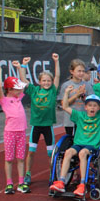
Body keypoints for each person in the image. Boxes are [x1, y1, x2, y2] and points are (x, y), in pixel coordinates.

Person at [50, 86, 100, 196]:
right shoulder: (79, 115)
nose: (92, 108)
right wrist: (67, 92)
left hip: (92, 146)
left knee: (82, 153)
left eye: (95, 106)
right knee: (68, 152)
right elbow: (65, 106)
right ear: (86, 107)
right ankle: (61, 182)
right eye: (90, 105)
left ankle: (82, 184)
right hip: (78, 144)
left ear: (98, 108)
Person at [14, 54, 60, 186]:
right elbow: (23, 79)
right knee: (31, 152)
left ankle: (53, 173)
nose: (46, 83)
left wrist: (56, 61)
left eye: (48, 81)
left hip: (48, 126)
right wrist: (23, 66)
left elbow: (57, 76)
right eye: (44, 81)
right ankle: (28, 173)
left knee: (50, 153)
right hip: (36, 125)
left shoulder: (52, 90)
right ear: (39, 82)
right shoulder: (34, 90)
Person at [0, 66, 30, 194]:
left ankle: (21, 183)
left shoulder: (19, 97)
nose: (20, 89)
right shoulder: (4, 100)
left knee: (21, 158)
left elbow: (24, 84)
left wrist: (21, 67)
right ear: (10, 89)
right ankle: (9, 184)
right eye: (17, 87)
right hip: (10, 132)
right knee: (9, 159)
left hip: (21, 132)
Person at [58, 59, 94, 136]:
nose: (81, 73)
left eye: (83, 71)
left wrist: (84, 96)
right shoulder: (66, 85)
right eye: (79, 71)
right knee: (70, 140)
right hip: (70, 120)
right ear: (72, 71)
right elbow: (63, 104)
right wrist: (76, 95)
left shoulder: (87, 85)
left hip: (83, 119)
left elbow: (91, 103)